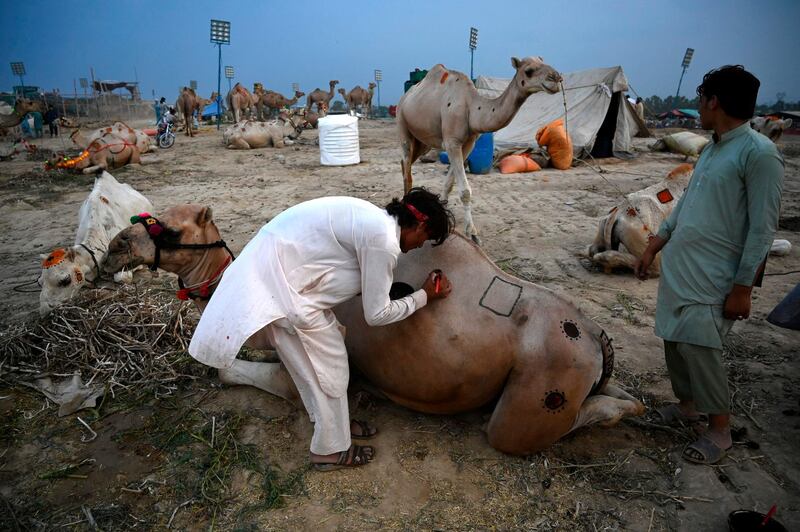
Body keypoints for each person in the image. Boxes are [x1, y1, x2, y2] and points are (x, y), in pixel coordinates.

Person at [189, 188, 455, 470]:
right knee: (328, 370)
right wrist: (424, 296)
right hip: (287, 292)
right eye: (424, 239)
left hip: (282, 278)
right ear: (421, 225)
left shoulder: (373, 219)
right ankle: (328, 452)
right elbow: (377, 314)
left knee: (312, 363)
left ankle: (334, 426)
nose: (417, 247)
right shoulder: (383, 241)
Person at [634, 65, 784, 465]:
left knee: (701, 347)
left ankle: (719, 429)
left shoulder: (759, 154)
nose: (698, 106)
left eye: (701, 98)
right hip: (682, 270)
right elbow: (685, 206)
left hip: (715, 276)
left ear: (714, 101)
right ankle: (688, 407)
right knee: (674, 340)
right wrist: (655, 245)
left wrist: (742, 287)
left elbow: (762, 229)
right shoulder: (712, 148)